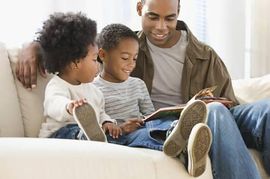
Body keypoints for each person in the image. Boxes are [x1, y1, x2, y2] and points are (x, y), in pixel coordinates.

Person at [15, 0, 270, 178]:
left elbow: (230, 103)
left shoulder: (204, 55)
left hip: (206, 116)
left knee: (262, 110)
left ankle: (188, 131)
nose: (161, 27)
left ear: (179, 12)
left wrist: (217, 102)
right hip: (172, 122)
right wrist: (34, 45)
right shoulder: (124, 46)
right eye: (153, 17)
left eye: (169, 18)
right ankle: (185, 137)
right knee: (211, 112)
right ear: (139, 9)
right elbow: (75, 43)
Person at [93, 23, 212, 177]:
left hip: (140, 127)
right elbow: (96, 124)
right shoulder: (93, 88)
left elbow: (150, 114)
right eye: (125, 58)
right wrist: (122, 127)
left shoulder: (137, 84)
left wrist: (144, 119)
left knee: (158, 123)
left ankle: (178, 134)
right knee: (142, 136)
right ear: (102, 55)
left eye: (135, 59)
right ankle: (183, 146)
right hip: (120, 135)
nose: (131, 64)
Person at [37, 12, 119, 141]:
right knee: (75, 130)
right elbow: (53, 103)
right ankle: (84, 137)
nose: (98, 65)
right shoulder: (57, 85)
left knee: (122, 137)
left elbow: (100, 113)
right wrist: (69, 106)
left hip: (91, 135)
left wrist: (106, 122)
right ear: (76, 62)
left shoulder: (94, 91)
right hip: (57, 136)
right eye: (94, 59)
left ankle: (157, 138)